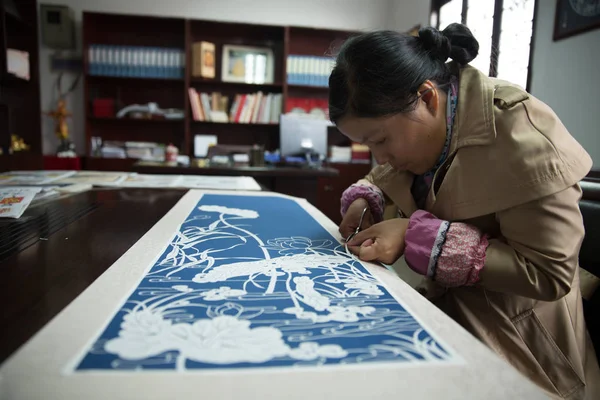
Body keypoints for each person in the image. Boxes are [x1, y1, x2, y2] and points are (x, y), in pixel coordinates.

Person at [330, 23, 600, 400]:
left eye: (380, 140)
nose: (380, 156)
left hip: (527, 352)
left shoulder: (522, 135)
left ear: (427, 99)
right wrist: (368, 195)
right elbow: (386, 170)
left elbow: (549, 273)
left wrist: (412, 233)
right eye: (366, 144)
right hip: (447, 321)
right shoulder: (421, 125)